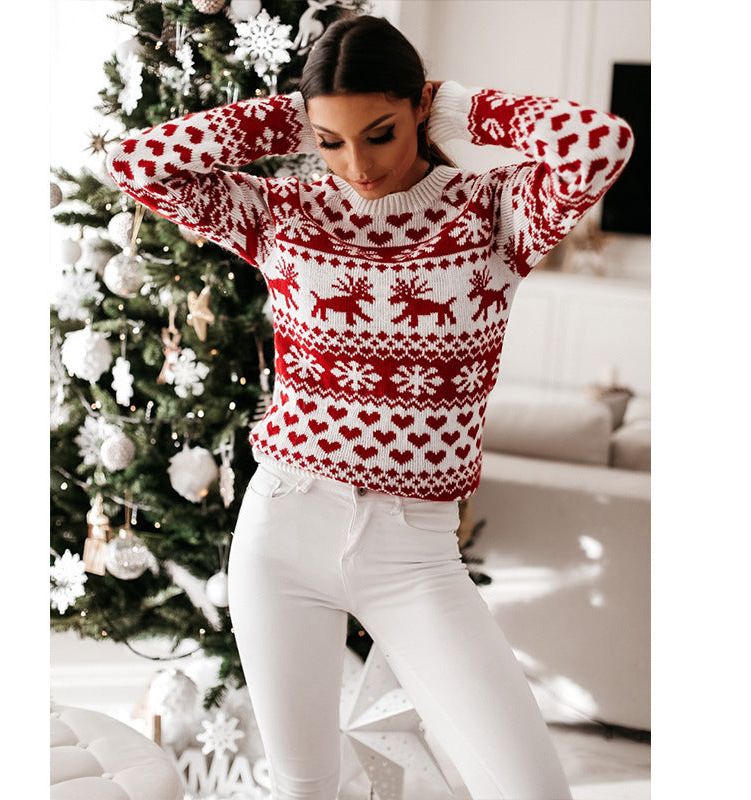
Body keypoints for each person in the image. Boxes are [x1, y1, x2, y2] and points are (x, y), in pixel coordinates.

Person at [108, 14, 633, 800]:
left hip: (415, 555)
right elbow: (134, 162)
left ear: (419, 108)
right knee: (304, 789)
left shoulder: (494, 213)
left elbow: (601, 143)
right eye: (331, 142)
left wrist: (458, 107)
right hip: (283, 530)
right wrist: (290, 117)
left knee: (531, 789)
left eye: (380, 133)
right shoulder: (281, 211)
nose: (358, 165)